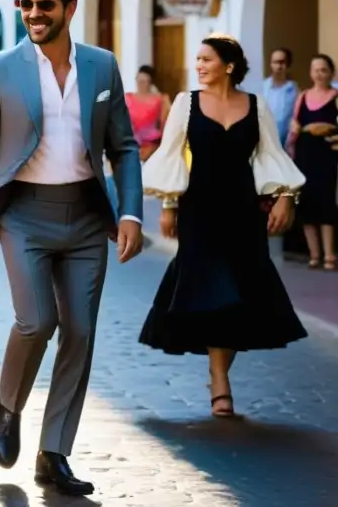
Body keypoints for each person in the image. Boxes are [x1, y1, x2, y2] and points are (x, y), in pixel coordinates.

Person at [0, 0, 143, 497]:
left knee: (80, 332)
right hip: (24, 217)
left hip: (86, 218)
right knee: (37, 322)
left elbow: (124, 148)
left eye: (44, 5)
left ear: (69, 9)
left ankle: (53, 451)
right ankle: (7, 406)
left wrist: (130, 211)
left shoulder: (103, 67)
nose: (33, 14)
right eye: (25, 4)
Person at [140, 34, 307, 416]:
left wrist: (286, 197)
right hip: (200, 210)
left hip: (244, 211)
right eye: (197, 60)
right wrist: (168, 205)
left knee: (241, 294)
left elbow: (271, 155)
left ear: (228, 66)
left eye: (206, 59)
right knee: (215, 292)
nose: (198, 66)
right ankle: (220, 382)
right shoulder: (186, 104)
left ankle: (218, 374)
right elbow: (171, 157)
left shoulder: (256, 105)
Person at [286, 54, 338, 269]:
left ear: (331, 73)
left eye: (323, 70)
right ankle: (314, 254)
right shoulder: (303, 96)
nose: (319, 74)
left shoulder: (336, 96)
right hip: (305, 154)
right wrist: (295, 129)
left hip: (327, 154)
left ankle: (329, 255)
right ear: (310, 73)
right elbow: (295, 122)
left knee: (325, 202)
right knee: (306, 203)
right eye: (315, 70)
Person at [125, 65, 171, 162]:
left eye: (144, 81)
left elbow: (165, 124)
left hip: (153, 146)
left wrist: (160, 147)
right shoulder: (127, 98)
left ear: (150, 82)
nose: (140, 84)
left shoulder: (161, 99)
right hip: (131, 146)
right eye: (139, 80)